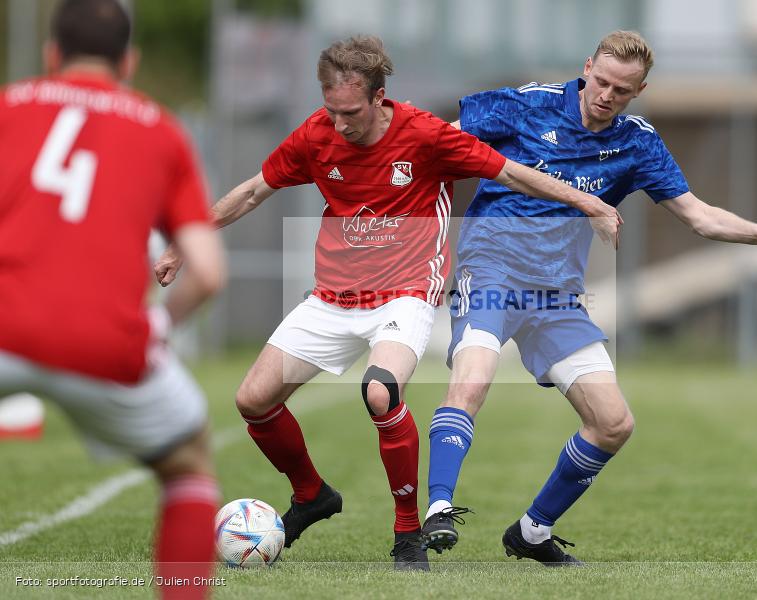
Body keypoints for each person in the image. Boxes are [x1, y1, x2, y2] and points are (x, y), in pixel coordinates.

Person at [154, 35, 622, 570]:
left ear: (379, 98)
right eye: (331, 110)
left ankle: (407, 532)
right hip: (332, 296)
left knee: (380, 391)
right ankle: (311, 494)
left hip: (406, 293)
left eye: (350, 112)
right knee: (252, 401)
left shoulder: (426, 135)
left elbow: (513, 172)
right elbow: (253, 191)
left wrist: (589, 203)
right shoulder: (316, 135)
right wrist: (183, 245)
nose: (339, 123)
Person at [421, 30, 757, 565]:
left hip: (557, 295)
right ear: (587, 67)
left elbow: (699, 215)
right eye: (601, 81)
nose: (606, 94)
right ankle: (438, 510)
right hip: (493, 268)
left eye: (622, 90)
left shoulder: (636, 142)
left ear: (640, 90)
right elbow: (430, 138)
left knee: (613, 424)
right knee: (472, 380)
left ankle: (532, 532)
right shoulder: (525, 105)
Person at [0, 1, 225, 598]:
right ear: (129, 61)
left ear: (52, 54)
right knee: (189, 464)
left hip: (3, 321)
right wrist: (156, 327)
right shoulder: (162, 130)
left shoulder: (8, 106)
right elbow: (207, 271)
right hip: (104, 339)